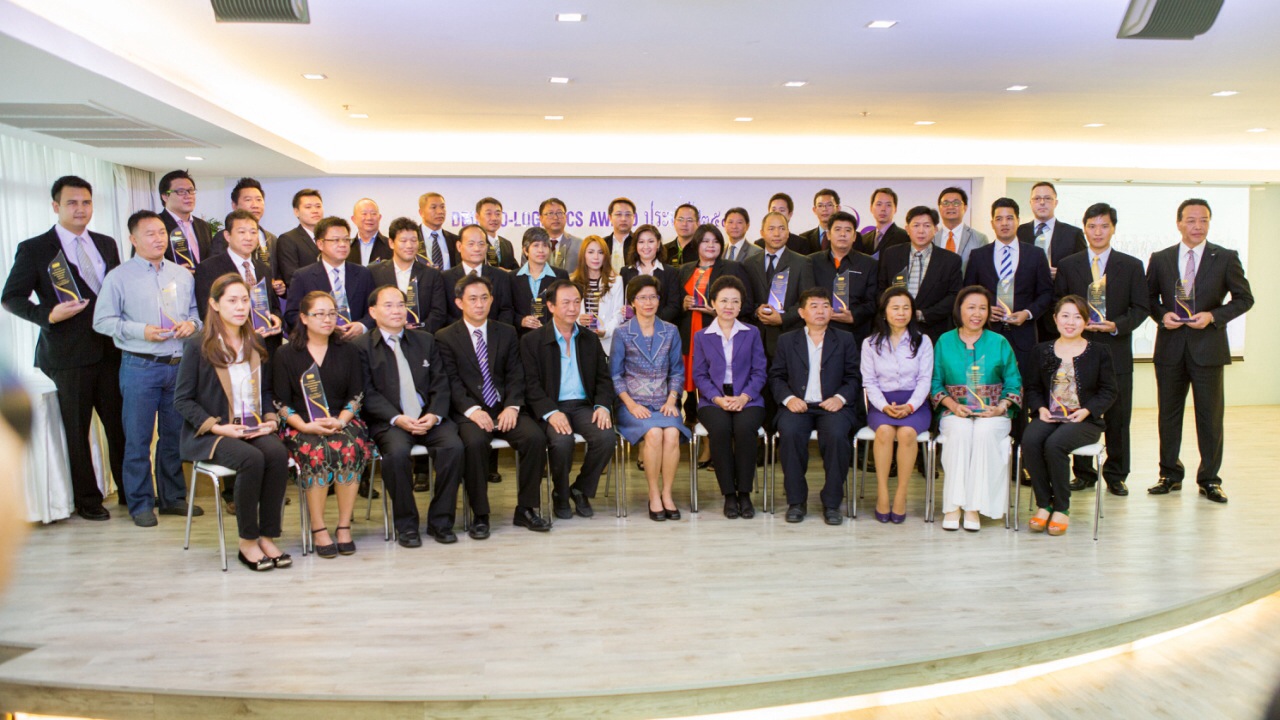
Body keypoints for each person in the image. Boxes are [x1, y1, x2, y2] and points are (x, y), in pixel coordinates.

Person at [2, 175, 125, 520]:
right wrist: (48, 315)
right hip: (67, 355)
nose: (80, 209)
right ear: (56, 206)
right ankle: (88, 500)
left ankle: (131, 492)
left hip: (110, 351)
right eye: (72, 203)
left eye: (86, 202)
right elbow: (11, 297)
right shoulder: (36, 248)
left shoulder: (105, 243)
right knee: (77, 430)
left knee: (119, 427)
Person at [92, 209, 203, 527]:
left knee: (173, 437)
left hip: (178, 366)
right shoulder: (119, 277)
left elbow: (196, 314)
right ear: (133, 239)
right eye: (150, 233)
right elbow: (102, 321)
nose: (158, 239)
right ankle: (140, 503)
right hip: (140, 365)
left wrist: (191, 325)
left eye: (162, 233)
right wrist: (141, 331)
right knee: (138, 438)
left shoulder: (182, 275)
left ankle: (172, 498)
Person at [173, 274, 290, 572]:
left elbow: (265, 390)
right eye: (232, 300)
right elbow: (182, 400)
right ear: (214, 304)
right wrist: (217, 427)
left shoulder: (256, 340)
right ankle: (247, 542)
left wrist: (270, 420)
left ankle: (267, 537)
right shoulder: (198, 345)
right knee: (251, 459)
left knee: (277, 453)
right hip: (214, 431)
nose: (240, 307)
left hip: (252, 425)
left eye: (245, 300)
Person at [1146, 198, 1253, 503]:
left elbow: (1244, 299)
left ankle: (1209, 479)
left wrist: (1213, 316)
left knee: (1210, 417)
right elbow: (1147, 298)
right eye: (1191, 220)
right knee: (1168, 415)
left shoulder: (1226, 257)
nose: (1198, 226)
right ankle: (1169, 474)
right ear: (1179, 223)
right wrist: (1162, 315)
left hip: (1208, 349)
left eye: (1203, 220)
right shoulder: (1162, 258)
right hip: (1170, 348)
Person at [436, 273, 550, 536]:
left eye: (484, 298)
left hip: (503, 408)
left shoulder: (506, 332)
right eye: (473, 299)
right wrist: (473, 411)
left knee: (535, 438)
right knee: (475, 443)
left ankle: (526, 509)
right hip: (469, 412)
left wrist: (512, 406)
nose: (479, 304)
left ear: (492, 300)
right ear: (459, 303)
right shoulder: (445, 337)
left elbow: (516, 374)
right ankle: (480, 514)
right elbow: (450, 382)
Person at [357, 285, 465, 545]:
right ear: (373, 311)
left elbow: (441, 383)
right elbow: (366, 393)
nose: (397, 311)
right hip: (390, 422)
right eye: (389, 305)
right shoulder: (360, 347)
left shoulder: (426, 340)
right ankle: (406, 525)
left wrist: (435, 415)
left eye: (401, 305)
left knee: (454, 447)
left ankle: (441, 522)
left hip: (428, 417)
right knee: (395, 455)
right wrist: (397, 418)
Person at [1054, 202, 1148, 495]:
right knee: (1080, 411)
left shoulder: (1131, 265)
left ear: (1113, 229)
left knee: (1118, 417)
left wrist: (1116, 325)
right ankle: (1083, 473)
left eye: (1104, 226)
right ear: (1084, 229)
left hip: (1115, 351)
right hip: (1078, 352)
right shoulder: (1069, 265)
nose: (1098, 232)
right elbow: (1058, 305)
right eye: (1092, 226)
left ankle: (1116, 474)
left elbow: (1141, 307)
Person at [273, 290, 373, 556]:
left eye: (332, 314)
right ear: (304, 318)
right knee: (316, 451)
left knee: (349, 448)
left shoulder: (349, 350)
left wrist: (340, 421)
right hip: (300, 423)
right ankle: (318, 529)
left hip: (342, 419)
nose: (328, 320)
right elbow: (280, 401)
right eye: (319, 314)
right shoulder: (285, 354)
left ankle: (344, 526)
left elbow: (357, 394)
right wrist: (305, 426)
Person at [1022, 296, 1117, 536]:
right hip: (1049, 416)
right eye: (1065, 316)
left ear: (1086, 322)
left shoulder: (1100, 351)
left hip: (1084, 420)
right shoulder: (1041, 350)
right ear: (1055, 319)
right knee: (1030, 440)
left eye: (1077, 317)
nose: (1070, 322)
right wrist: (1040, 409)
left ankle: (1061, 507)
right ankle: (1044, 503)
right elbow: (1032, 388)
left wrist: (1087, 410)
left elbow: (1109, 391)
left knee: (1055, 444)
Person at [520, 279, 615, 519]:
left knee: (606, 437)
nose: (573, 308)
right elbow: (530, 385)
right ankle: (560, 494)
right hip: (552, 407)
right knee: (562, 442)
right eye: (565, 303)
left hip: (583, 406)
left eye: (576, 302)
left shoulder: (589, 338)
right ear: (551, 306)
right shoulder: (532, 341)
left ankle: (580, 489)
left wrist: (603, 406)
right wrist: (551, 412)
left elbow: (603, 379)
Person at [931, 286, 1022, 532]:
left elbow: (1014, 382)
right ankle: (953, 506)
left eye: (982, 308)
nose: (977, 313)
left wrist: (1001, 407)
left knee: (983, 433)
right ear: (959, 310)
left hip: (993, 413)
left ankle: (974, 507)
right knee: (960, 433)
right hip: (955, 411)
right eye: (971, 307)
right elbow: (935, 382)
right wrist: (952, 405)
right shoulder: (944, 341)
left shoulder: (1000, 342)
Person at [769, 287, 860, 525]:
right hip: (798, 405)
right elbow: (776, 376)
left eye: (825, 306)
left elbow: (854, 377)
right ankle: (796, 501)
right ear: (801, 312)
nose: (821, 311)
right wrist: (789, 399)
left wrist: (840, 398)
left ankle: (832, 502)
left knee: (837, 435)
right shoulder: (787, 340)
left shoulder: (845, 339)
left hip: (832, 406)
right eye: (814, 306)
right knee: (790, 433)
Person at [671, 224, 753, 459]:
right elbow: (673, 306)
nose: (710, 245)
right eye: (705, 241)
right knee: (691, 392)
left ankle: (711, 448)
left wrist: (715, 310)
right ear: (697, 244)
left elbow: (747, 305)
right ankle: (691, 441)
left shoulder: (733, 268)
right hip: (688, 338)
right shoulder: (684, 270)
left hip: (719, 339)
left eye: (715, 241)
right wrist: (683, 305)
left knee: (712, 389)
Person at [611, 275, 690, 520]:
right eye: (642, 297)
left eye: (653, 297)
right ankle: (654, 494)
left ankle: (667, 494)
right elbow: (615, 375)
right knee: (654, 433)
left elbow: (677, 371)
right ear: (632, 302)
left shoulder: (671, 331)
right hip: (632, 404)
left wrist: (672, 400)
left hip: (664, 402)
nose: (648, 302)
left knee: (672, 433)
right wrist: (631, 404)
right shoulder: (622, 333)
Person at [692, 276, 768, 519]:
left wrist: (744, 397)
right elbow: (699, 375)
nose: (729, 306)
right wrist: (718, 398)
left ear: (741, 305)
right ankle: (729, 495)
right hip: (713, 400)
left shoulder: (752, 332)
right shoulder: (702, 336)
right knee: (721, 430)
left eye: (735, 301)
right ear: (713, 303)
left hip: (748, 397)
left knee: (745, 429)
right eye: (724, 300)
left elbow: (759, 371)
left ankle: (744, 494)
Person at [861, 286, 934, 523]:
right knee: (884, 431)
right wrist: (883, 406)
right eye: (895, 308)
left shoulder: (923, 341)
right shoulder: (870, 343)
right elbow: (869, 382)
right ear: (884, 312)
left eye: (906, 308)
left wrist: (911, 406)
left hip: (915, 403)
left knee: (906, 433)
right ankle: (883, 493)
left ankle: (901, 494)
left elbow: (925, 380)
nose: (901, 313)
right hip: (882, 403)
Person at [964, 198, 1053, 382]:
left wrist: (1028, 313)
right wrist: (984, 311)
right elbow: (968, 294)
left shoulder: (1036, 254)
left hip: (1024, 336)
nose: (1004, 223)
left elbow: (1046, 293)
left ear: (1018, 221)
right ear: (992, 223)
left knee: (1022, 386)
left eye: (1009, 218)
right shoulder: (978, 256)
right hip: (986, 334)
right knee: (986, 385)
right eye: (999, 219)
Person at [195, 210, 284, 356]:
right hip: (230, 348)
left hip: (266, 345)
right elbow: (207, 313)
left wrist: (276, 318)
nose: (249, 237)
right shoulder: (208, 268)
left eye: (253, 232)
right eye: (242, 232)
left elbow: (274, 306)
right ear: (227, 236)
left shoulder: (264, 269)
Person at [879, 206, 963, 343]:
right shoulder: (891, 254)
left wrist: (923, 314)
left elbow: (954, 296)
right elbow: (881, 288)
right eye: (916, 225)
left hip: (933, 331)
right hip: (893, 331)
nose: (921, 231)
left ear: (935, 230)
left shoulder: (950, 260)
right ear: (907, 229)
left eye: (927, 226)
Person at [285, 216, 374, 335]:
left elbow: (374, 309)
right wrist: (323, 327)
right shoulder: (303, 276)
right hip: (319, 341)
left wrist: (362, 326)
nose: (343, 244)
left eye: (346, 239)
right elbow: (292, 315)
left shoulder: (363, 273)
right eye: (336, 240)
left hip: (357, 341)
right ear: (320, 244)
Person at [809, 210, 879, 347]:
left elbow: (873, 301)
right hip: (819, 334)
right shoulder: (811, 261)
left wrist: (853, 315)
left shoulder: (869, 264)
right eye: (837, 229)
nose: (843, 234)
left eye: (848, 230)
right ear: (828, 235)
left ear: (854, 236)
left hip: (855, 334)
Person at [369, 217, 448, 333]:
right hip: (383, 337)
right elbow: (369, 308)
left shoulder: (432, 274)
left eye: (414, 240)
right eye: (403, 241)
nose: (409, 245)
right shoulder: (374, 272)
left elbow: (438, 313)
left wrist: (419, 333)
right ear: (391, 243)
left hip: (421, 337)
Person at [209, 178, 284, 300]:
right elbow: (217, 272)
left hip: (263, 303)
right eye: (248, 200)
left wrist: (279, 285)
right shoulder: (222, 237)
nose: (255, 205)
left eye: (259, 200)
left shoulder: (272, 238)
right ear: (234, 205)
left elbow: (275, 273)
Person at [441, 224, 515, 326]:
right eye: (471, 244)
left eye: (481, 244)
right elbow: (443, 313)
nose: (477, 249)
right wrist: (466, 330)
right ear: (459, 246)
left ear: (487, 247)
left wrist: (491, 331)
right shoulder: (445, 278)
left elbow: (506, 310)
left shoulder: (501, 276)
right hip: (456, 334)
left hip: (493, 333)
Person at [569, 235, 625, 355]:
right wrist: (579, 319)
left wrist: (605, 332)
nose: (596, 257)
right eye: (591, 252)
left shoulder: (616, 281)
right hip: (580, 342)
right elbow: (568, 312)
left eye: (600, 252)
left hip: (608, 344)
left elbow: (618, 314)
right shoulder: (572, 281)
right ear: (583, 255)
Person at [1017, 181, 1087, 275]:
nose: (1042, 202)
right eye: (1037, 198)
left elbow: (1084, 267)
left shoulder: (1073, 234)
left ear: (1056, 202)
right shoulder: (1019, 232)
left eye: (1047, 198)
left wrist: (1062, 274)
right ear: (1031, 203)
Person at [513, 227, 567, 336]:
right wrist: (520, 321)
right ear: (525, 250)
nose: (541, 250)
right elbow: (506, 310)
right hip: (521, 338)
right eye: (536, 245)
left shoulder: (561, 276)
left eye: (545, 245)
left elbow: (565, 307)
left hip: (552, 337)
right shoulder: (512, 277)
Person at [155, 169, 211, 269]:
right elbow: (142, 266)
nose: (188, 196)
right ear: (165, 196)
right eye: (181, 192)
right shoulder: (154, 225)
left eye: (191, 191)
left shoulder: (203, 226)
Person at [933, 186, 989, 273]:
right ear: (939, 208)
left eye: (956, 203)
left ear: (965, 207)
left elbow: (984, 271)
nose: (950, 207)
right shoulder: (931, 238)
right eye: (945, 203)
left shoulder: (980, 239)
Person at [277, 188, 325, 286]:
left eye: (318, 206)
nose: (315, 211)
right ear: (296, 212)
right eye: (308, 207)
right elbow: (292, 278)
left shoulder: (330, 238)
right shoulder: (288, 239)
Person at [859, 187, 910, 257]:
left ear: (895, 209)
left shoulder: (904, 237)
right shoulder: (863, 239)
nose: (883, 209)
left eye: (888, 205)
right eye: (879, 204)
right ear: (871, 208)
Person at [416, 192, 459, 270]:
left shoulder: (455, 240)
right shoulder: (412, 238)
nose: (440, 211)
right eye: (433, 207)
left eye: (442, 207)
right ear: (421, 212)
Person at [538, 197, 581, 272]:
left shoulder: (579, 245)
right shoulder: (532, 245)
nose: (555, 218)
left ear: (566, 217)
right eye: (550, 213)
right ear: (541, 218)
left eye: (559, 213)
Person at [475, 197, 518, 271]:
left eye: (498, 214)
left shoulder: (507, 244)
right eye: (488, 214)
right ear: (477, 217)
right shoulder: (473, 243)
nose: (494, 218)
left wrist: (509, 273)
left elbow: (515, 270)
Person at [349, 198, 392, 266]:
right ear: (354, 219)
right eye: (364, 214)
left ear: (379, 218)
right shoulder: (346, 247)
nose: (369, 218)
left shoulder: (391, 246)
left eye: (373, 214)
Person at [604, 197, 637, 273]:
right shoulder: (603, 244)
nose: (623, 219)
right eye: (618, 214)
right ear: (610, 218)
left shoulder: (639, 243)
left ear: (634, 217)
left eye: (628, 214)